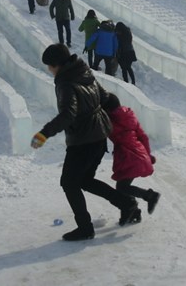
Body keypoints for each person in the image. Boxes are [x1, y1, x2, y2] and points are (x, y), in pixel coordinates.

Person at [31, 44, 140, 241]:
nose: (49, 70)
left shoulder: (65, 82)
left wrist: (43, 134)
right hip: (99, 136)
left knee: (69, 182)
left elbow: (68, 114)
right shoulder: (83, 71)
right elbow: (106, 98)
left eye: (49, 66)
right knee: (84, 180)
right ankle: (127, 205)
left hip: (83, 139)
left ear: (56, 65)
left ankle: (85, 228)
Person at [103, 93, 160, 219]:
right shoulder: (128, 115)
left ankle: (149, 196)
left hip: (129, 156)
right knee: (123, 186)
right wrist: (148, 155)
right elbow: (143, 136)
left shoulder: (110, 120)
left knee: (122, 187)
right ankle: (134, 212)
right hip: (138, 153)